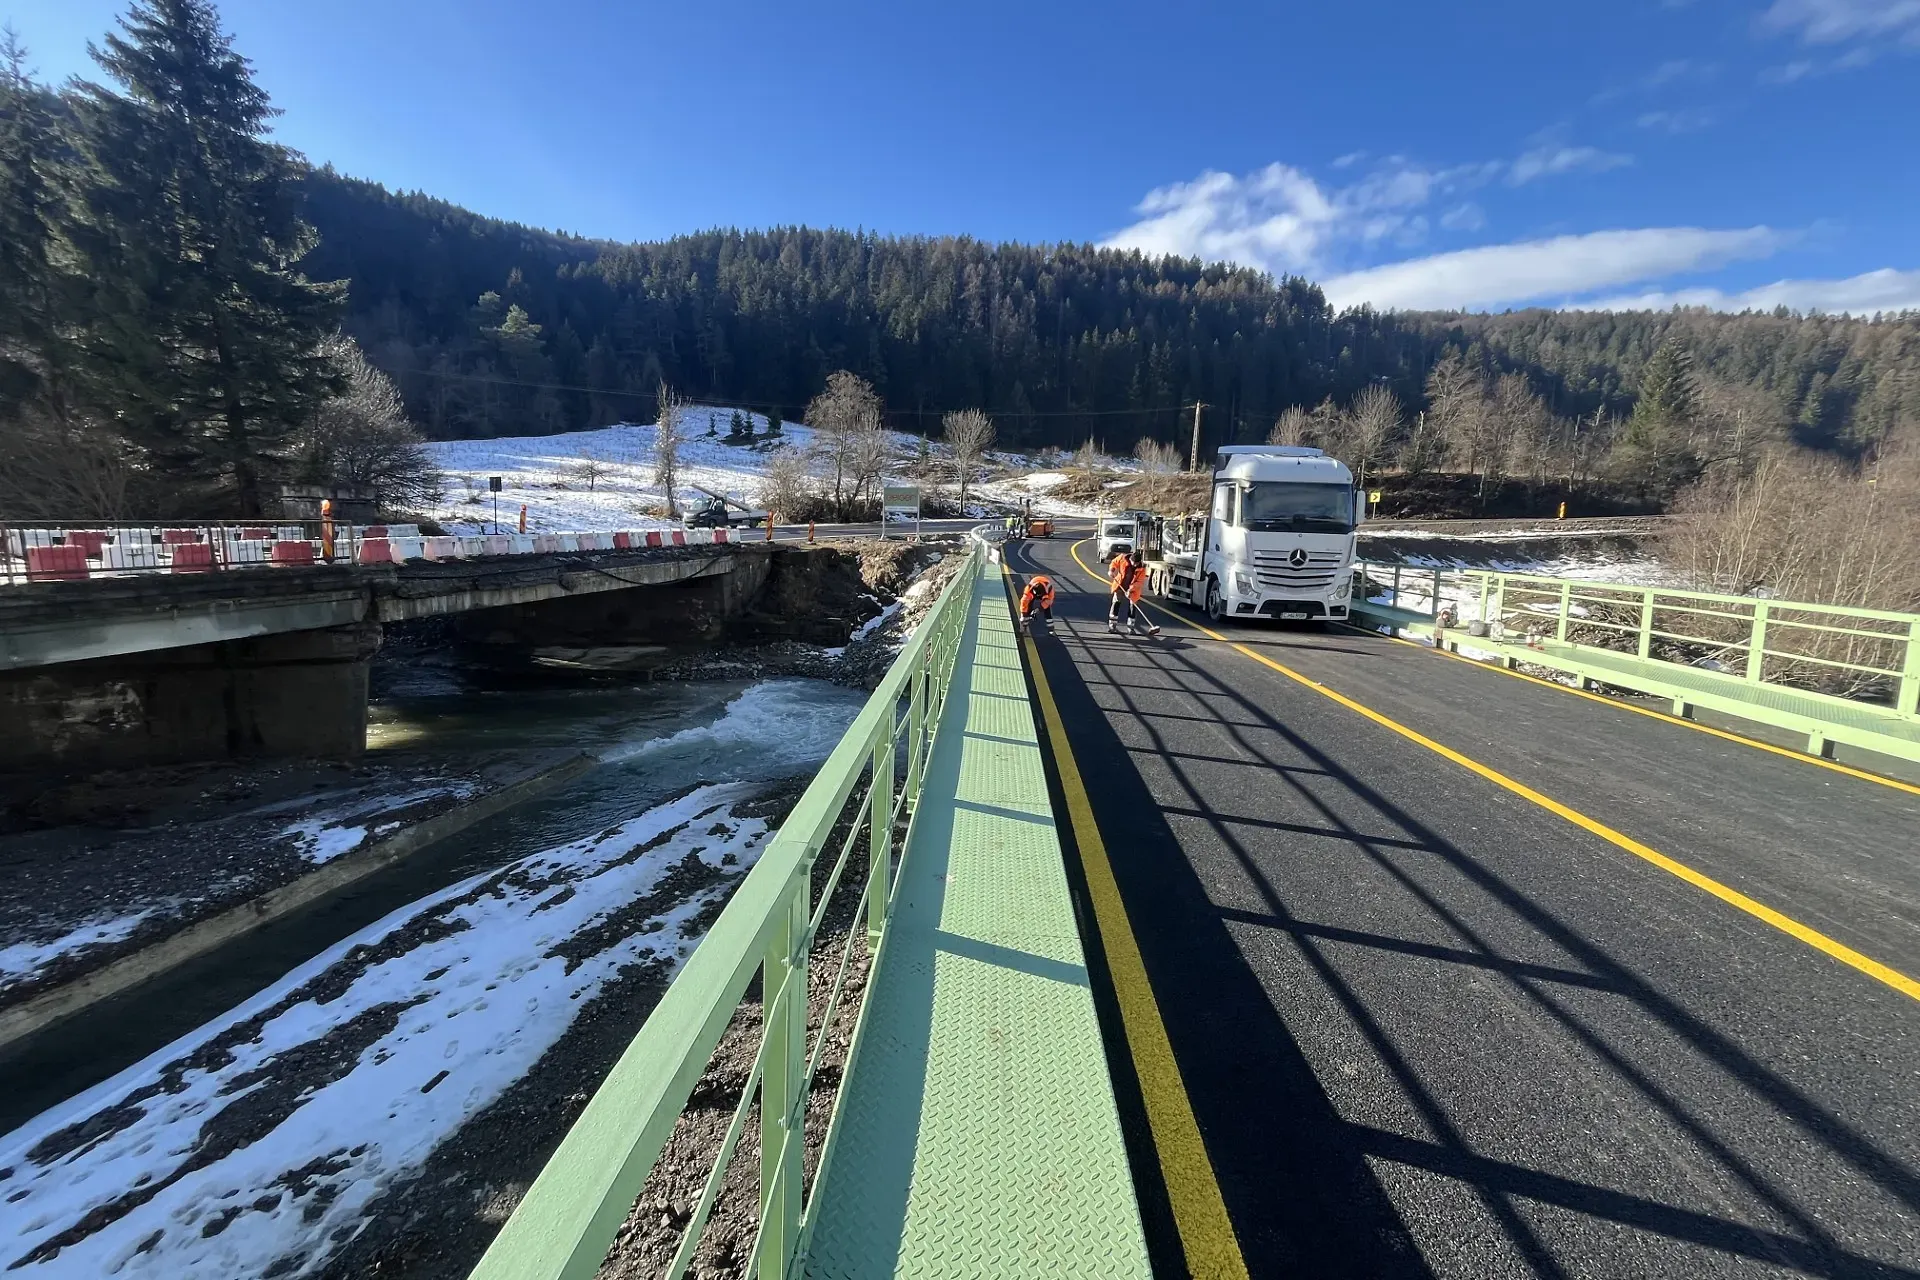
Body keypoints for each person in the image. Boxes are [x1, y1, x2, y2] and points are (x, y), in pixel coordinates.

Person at [1107, 548, 1159, 636]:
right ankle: (1112, 626)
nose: (1134, 565)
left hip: (1134, 589)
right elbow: (1114, 562)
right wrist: (1111, 570)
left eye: (1136, 563)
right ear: (1130, 559)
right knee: (1116, 604)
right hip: (1120, 584)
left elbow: (1139, 582)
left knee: (1132, 607)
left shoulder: (1142, 569)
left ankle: (1130, 628)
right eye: (1133, 562)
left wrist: (1130, 590)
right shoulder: (1122, 558)